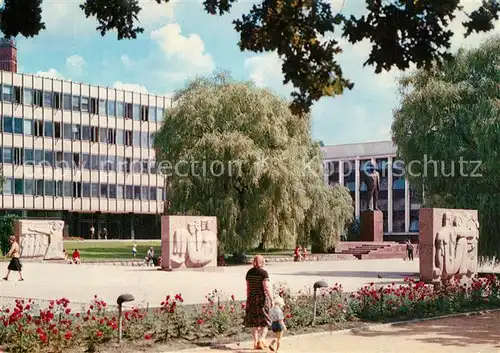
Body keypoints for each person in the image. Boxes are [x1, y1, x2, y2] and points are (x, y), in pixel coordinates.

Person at [245, 255, 273, 350]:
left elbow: (248, 288)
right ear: (262, 262)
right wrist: (271, 298)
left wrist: (248, 298)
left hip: (251, 299)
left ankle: (255, 343)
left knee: (254, 323)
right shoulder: (263, 273)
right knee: (265, 321)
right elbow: (266, 288)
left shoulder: (249, 272)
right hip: (261, 299)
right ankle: (261, 340)